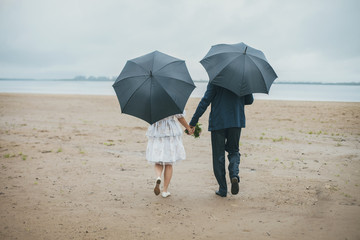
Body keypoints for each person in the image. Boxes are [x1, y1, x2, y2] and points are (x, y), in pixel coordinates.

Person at [189, 83, 254, 197]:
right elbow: (249, 100)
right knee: (234, 150)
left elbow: (205, 101)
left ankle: (223, 189)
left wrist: (193, 121)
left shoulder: (216, 79)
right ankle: (234, 175)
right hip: (236, 120)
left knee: (218, 156)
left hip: (218, 121)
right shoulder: (243, 80)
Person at [146, 113, 193, 198]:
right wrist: (188, 128)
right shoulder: (173, 100)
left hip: (157, 129)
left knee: (158, 160)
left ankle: (158, 177)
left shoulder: (153, 101)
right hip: (170, 130)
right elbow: (180, 117)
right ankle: (164, 191)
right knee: (169, 163)